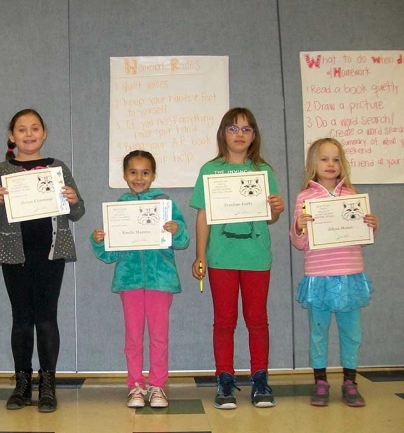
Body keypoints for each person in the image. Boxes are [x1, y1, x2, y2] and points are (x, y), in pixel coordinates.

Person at [0, 109, 85, 413]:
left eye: (35, 128)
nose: (29, 134)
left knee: (47, 318)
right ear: (12, 136)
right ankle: (22, 383)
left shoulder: (58, 168)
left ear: (45, 132)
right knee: (22, 318)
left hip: (52, 251)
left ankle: (48, 383)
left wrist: (73, 200)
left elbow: (77, 212)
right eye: (21, 130)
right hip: (15, 253)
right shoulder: (1, 170)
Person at [189, 107, 285, 409]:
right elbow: (203, 216)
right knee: (224, 322)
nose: (239, 134)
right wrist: (200, 255)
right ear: (223, 134)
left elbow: (269, 218)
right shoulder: (210, 170)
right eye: (233, 128)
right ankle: (225, 380)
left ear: (254, 135)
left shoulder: (263, 171)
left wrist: (277, 209)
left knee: (257, 320)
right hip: (220, 258)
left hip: (256, 257)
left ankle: (259, 378)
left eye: (246, 129)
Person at [90, 150, 189, 409]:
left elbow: (183, 239)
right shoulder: (119, 208)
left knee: (159, 336)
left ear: (153, 175)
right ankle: (135, 384)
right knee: (133, 337)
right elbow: (110, 254)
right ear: (124, 175)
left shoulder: (166, 204)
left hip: (161, 280)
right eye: (133, 172)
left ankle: (157, 385)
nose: (139, 177)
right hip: (129, 280)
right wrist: (100, 240)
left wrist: (176, 230)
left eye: (145, 172)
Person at [290, 138, 377, 407]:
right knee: (318, 331)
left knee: (351, 332)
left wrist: (370, 226)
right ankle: (320, 381)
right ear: (312, 164)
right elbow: (299, 243)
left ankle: (350, 381)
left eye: (336, 159)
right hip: (319, 277)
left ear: (343, 165)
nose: (330, 164)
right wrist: (299, 226)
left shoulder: (352, 195)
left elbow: (361, 239)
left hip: (350, 274)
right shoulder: (305, 198)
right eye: (324, 159)